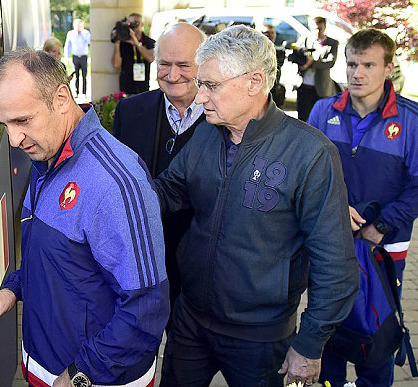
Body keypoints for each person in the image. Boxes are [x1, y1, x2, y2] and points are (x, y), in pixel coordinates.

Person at [154, 25, 358, 386]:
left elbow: (335, 263)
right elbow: (168, 191)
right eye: (201, 84)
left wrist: (310, 344)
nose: (199, 98)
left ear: (254, 82)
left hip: (260, 339)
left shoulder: (310, 154)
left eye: (210, 86)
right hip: (190, 322)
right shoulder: (206, 132)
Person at [0, 49, 169, 387]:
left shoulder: (115, 182)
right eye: (5, 125)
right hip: (46, 366)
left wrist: (80, 374)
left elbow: (146, 309)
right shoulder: (45, 155)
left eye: (23, 120)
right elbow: (61, 262)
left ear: (61, 98)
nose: (13, 139)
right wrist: (13, 290)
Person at [308, 28, 418, 387]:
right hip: (329, 245)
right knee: (329, 335)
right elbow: (305, 175)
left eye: (368, 65)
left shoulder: (411, 120)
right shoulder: (323, 111)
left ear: (388, 67)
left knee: (376, 339)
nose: (357, 74)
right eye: (352, 64)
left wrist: (380, 226)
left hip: (384, 251)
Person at [112, 22, 206, 332]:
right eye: (164, 64)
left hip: (199, 274)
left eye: (184, 65)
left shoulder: (223, 117)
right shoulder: (129, 111)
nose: (172, 74)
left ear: (204, 65)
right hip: (140, 265)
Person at [296, 17, 339, 121]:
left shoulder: (332, 43)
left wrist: (312, 63)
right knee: (303, 119)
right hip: (304, 87)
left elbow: (330, 62)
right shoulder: (305, 40)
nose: (318, 32)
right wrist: (302, 64)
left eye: (320, 29)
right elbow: (297, 56)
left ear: (324, 27)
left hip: (320, 88)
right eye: (315, 29)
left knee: (320, 120)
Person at [111, 13, 155, 95]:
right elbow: (116, 65)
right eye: (129, 24)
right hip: (126, 87)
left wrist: (136, 43)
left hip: (143, 88)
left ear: (142, 25)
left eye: (135, 23)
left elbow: (150, 58)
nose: (132, 26)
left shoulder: (149, 42)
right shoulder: (123, 43)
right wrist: (117, 43)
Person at [64, 19, 91, 97]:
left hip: (83, 56)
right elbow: (67, 46)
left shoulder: (86, 33)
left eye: (79, 26)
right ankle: (77, 92)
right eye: (76, 25)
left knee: (84, 75)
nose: (78, 27)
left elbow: (89, 42)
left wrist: (82, 34)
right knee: (76, 76)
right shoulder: (70, 33)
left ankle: (85, 93)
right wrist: (66, 57)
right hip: (75, 56)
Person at [263, 23, 287, 107]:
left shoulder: (279, 52)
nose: (270, 35)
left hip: (273, 89)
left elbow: (275, 65)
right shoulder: (256, 52)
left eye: (272, 33)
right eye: (267, 33)